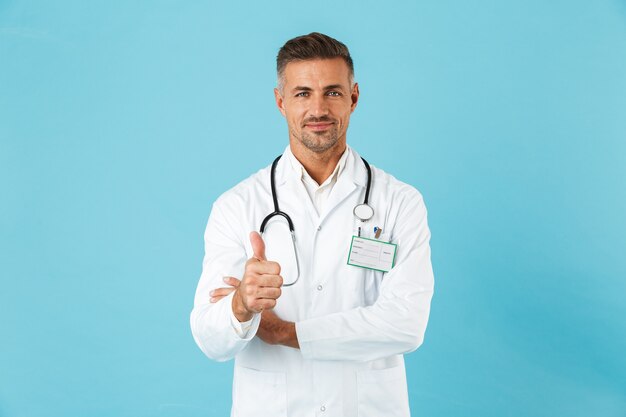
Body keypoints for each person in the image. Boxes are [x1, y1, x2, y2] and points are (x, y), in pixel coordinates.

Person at [190, 32, 434, 417]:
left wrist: (284, 332)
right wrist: (241, 307)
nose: (317, 108)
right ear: (280, 101)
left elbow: (407, 324)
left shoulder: (400, 202)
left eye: (332, 93)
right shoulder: (237, 205)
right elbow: (209, 339)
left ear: (354, 97)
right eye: (303, 93)